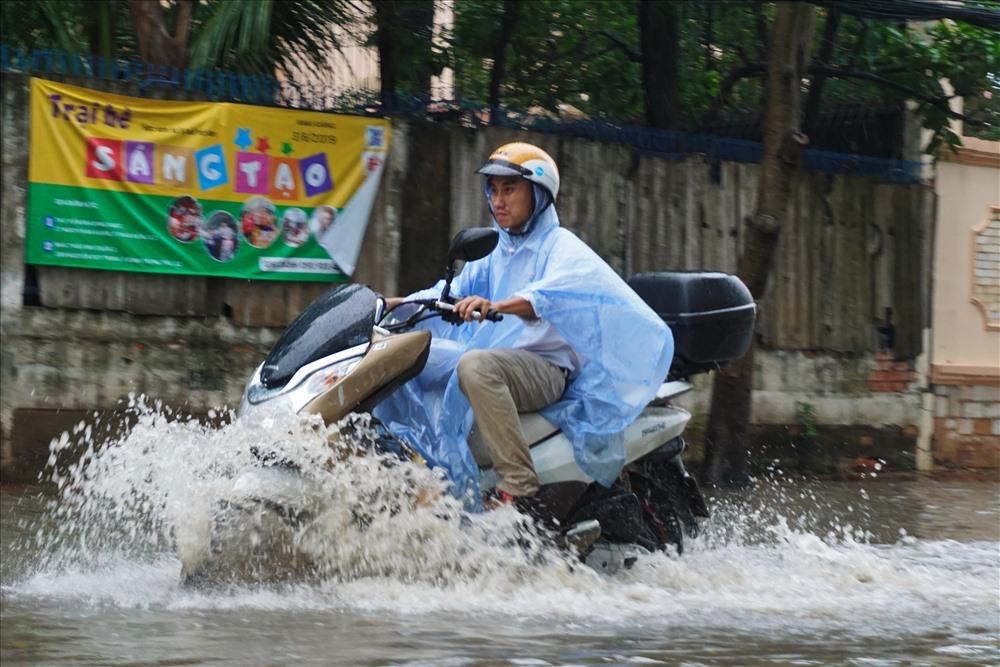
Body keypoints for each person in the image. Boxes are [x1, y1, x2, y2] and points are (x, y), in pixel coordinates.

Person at [377, 142, 673, 510]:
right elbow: (449, 292)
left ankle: (520, 485)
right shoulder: (498, 249)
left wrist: (497, 305)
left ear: (537, 193)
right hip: (505, 361)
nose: (498, 201)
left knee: (476, 366)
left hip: (545, 370)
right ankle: (411, 476)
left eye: (509, 189)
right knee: (399, 358)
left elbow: (545, 297)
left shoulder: (560, 247)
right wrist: (392, 304)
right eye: (494, 190)